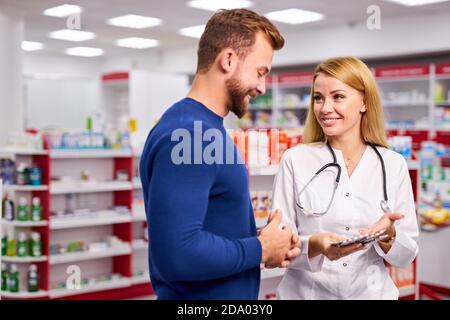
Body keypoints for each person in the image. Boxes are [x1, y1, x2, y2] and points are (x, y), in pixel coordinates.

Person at [140, 8, 300, 300]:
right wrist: (261, 248)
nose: (262, 87)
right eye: (260, 72)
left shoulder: (198, 128)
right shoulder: (192, 135)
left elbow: (210, 227)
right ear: (228, 60)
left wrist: (267, 242)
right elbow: (178, 253)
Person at [272, 57, 419, 299]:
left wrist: (388, 236)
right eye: (318, 98)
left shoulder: (392, 164)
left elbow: (406, 255)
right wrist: (315, 245)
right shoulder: (295, 160)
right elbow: (277, 249)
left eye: (338, 97)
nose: (325, 108)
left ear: (364, 102)